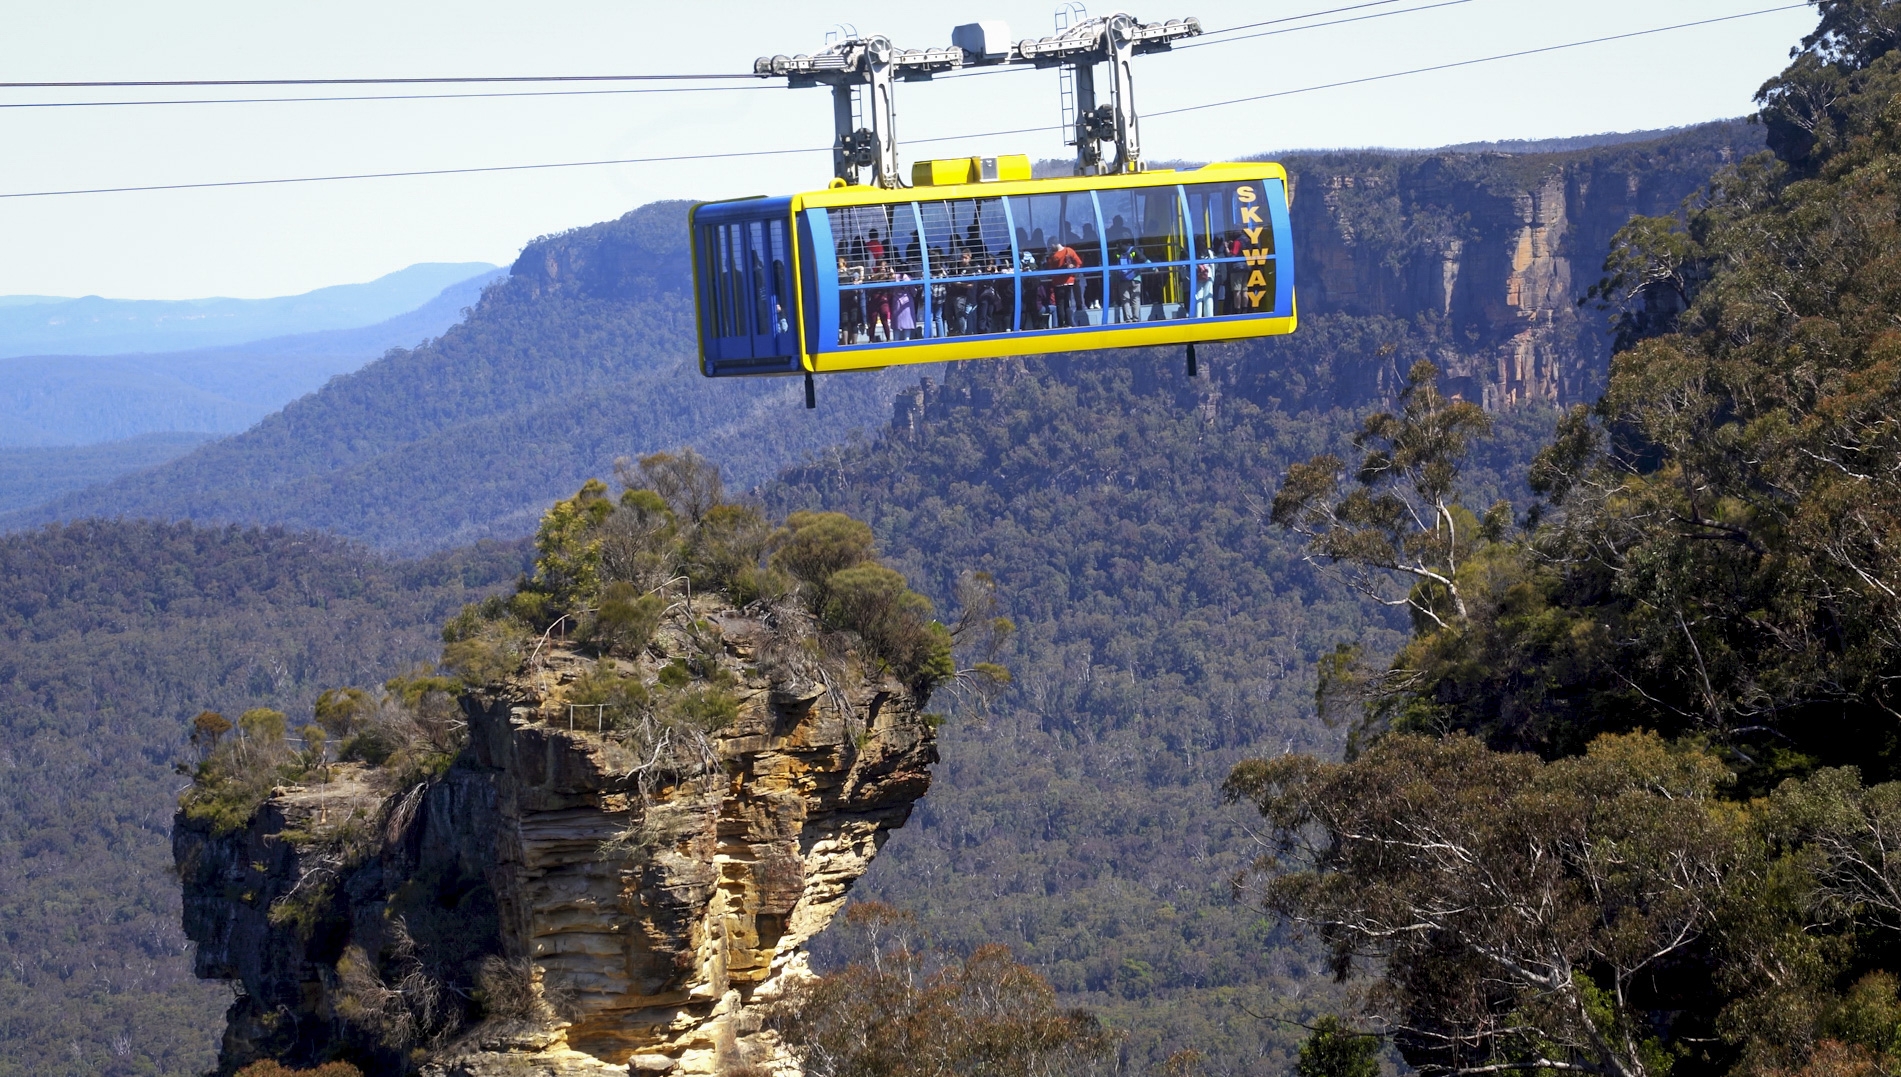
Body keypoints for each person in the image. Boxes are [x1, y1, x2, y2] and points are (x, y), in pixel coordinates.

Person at [1045, 240, 1084, 328]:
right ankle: (1069, 322)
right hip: (1069, 280)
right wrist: (1073, 268)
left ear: (1053, 244)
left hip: (1058, 282)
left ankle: (1061, 323)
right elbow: (1079, 262)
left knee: (1060, 304)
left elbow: (1050, 267)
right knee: (1067, 302)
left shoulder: (1054, 256)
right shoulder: (1069, 250)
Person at [1194, 243, 1215, 319]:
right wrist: (1213, 277)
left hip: (1198, 277)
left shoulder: (1195, 252)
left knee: (1198, 297)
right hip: (1208, 275)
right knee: (1208, 297)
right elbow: (1212, 265)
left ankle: (1198, 316)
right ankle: (1209, 316)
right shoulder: (1209, 252)